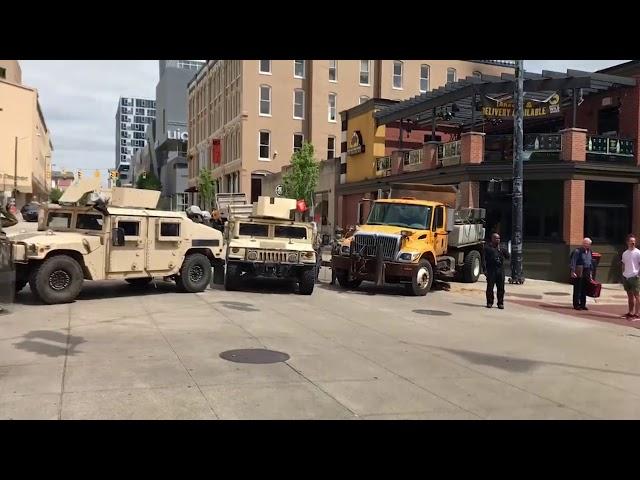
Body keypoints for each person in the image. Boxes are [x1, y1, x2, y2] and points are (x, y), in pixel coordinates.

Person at [483, 232, 510, 309]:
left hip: (500, 270)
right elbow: (484, 260)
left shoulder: (501, 248)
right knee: (490, 287)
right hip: (491, 269)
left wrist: (505, 250)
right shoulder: (487, 248)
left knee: (501, 288)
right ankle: (489, 302)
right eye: (496, 238)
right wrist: (485, 270)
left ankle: (500, 303)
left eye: (499, 238)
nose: (498, 240)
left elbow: (508, 257)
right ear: (492, 239)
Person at [570, 237, 593, 311]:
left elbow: (590, 262)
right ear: (582, 243)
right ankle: (576, 304)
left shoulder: (590, 251)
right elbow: (573, 261)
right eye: (585, 243)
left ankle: (583, 304)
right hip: (579, 270)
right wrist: (573, 271)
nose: (587, 245)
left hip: (586, 271)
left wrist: (590, 273)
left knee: (584, 288)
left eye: (588, 244)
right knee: (577, 288)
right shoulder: (577, 251)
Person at [621, 234, 640, 320]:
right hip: (626, 276)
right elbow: (623, 264)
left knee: (637, 295)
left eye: (634, 241)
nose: (633, 243)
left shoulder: (638, 252)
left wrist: (638, 275)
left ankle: (637, 313)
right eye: (631, 241)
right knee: (629, 296)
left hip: (635, 276)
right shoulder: (625, 253)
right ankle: (630, 312)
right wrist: (623, 274)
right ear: (627, 242)